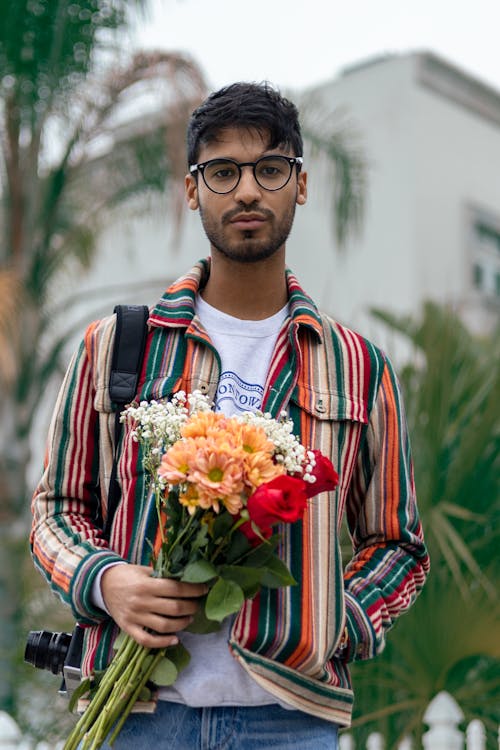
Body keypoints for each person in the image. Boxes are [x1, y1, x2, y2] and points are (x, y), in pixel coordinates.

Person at [31, 82, 430, 749]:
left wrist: (336, 618)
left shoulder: (358, 366)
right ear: (193, 190)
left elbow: (398, 544)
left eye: (269, 169)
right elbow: (57, 508)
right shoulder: (117, 346)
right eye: (222, 172)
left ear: (299, 184)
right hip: (140, 714)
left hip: (292, 720)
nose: (248, 191)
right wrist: (108, 582)